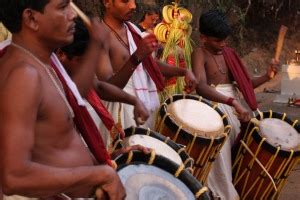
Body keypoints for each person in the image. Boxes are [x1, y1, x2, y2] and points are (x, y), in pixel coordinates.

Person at [0, 0, 125, 198]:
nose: (73, 15)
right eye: (62, 7)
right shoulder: (24, 75)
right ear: (31, 19)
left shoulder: (43, 63)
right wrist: (97, 174)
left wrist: (102, 161)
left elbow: (52, 143)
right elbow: (13, 177)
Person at [192, 10, 279, 199]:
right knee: (221, 156)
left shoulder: (229, 53)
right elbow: (200, 86)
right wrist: (231, 102)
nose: (222, 44)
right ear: (203, 38)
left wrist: (267, 75)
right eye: (217, 41)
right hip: (213, 111)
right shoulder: (199, 53)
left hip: (236, 109)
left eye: (225, 40)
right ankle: (223, 195)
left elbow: (246, 83)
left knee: (248, 150)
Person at [97, 0, 197, 130]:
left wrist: (183, 72)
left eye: (134, 1)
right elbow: (106, 89)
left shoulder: (132, 30)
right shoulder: (99, 37)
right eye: (125, 1)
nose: (133, 6)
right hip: (121, 115)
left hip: (144, 109)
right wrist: (137, 56)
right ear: (107, 2)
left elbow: (149, 64)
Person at [56, 19, 150, 148]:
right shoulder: (49, 78)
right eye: (82, 62)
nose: (87, 69)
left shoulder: (73, 72)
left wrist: (135, 101)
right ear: (61, 54)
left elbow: (99, 87)